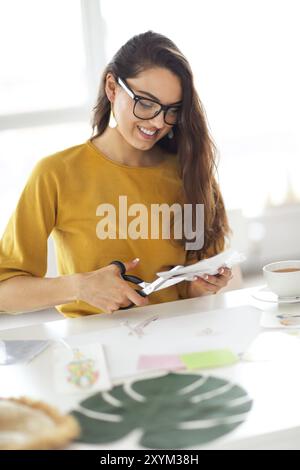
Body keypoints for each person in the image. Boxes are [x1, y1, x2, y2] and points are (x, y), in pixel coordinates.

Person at [0, 31, 232, 318]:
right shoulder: (56, 174)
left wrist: (201, 287)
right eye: (145, 103)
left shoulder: (190, 173)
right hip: (94, 350)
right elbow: (5, 292)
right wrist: (79, 286)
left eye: (172, 110)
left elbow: (188, 291)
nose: (159, 122)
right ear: (112, 87)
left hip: (177, 337)